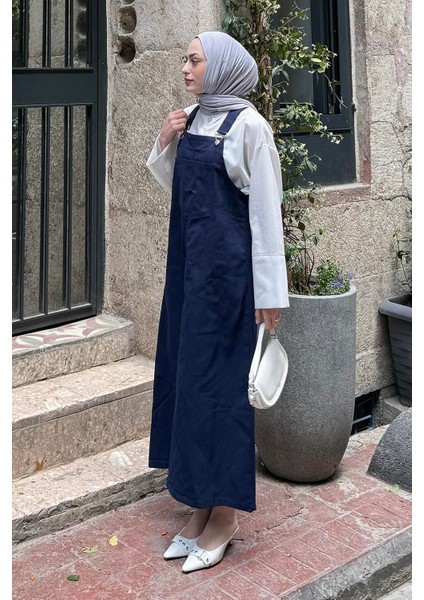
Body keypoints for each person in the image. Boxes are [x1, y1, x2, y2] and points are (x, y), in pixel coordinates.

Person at [146, 31, 289, 573]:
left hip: (229, 284)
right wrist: (164, 140)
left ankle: (224, 516)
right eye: (185, 60)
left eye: (194, 60)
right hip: (188, 274)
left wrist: (270, 294)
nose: (185, 68)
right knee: (188, 384)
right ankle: (199, 507)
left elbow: (266, 212)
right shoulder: (190, 117)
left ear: (222, 65)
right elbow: (180, 188)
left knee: (222, 394)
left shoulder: (250, 126)